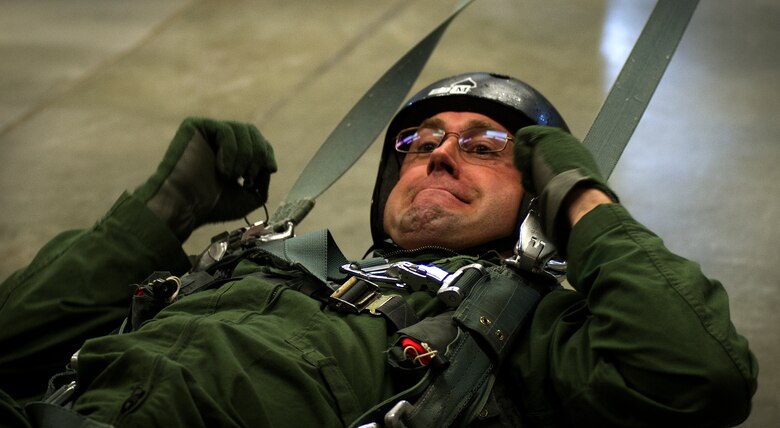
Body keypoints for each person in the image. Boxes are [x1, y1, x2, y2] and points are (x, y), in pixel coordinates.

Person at [0, 72, 757, 427]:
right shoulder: (267, 260)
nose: (438, 153)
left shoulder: (520, 332)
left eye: (484, 145)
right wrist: (161, 215)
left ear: (536, 197)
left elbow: (698, 375)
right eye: (419, 142)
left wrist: (585, 203)